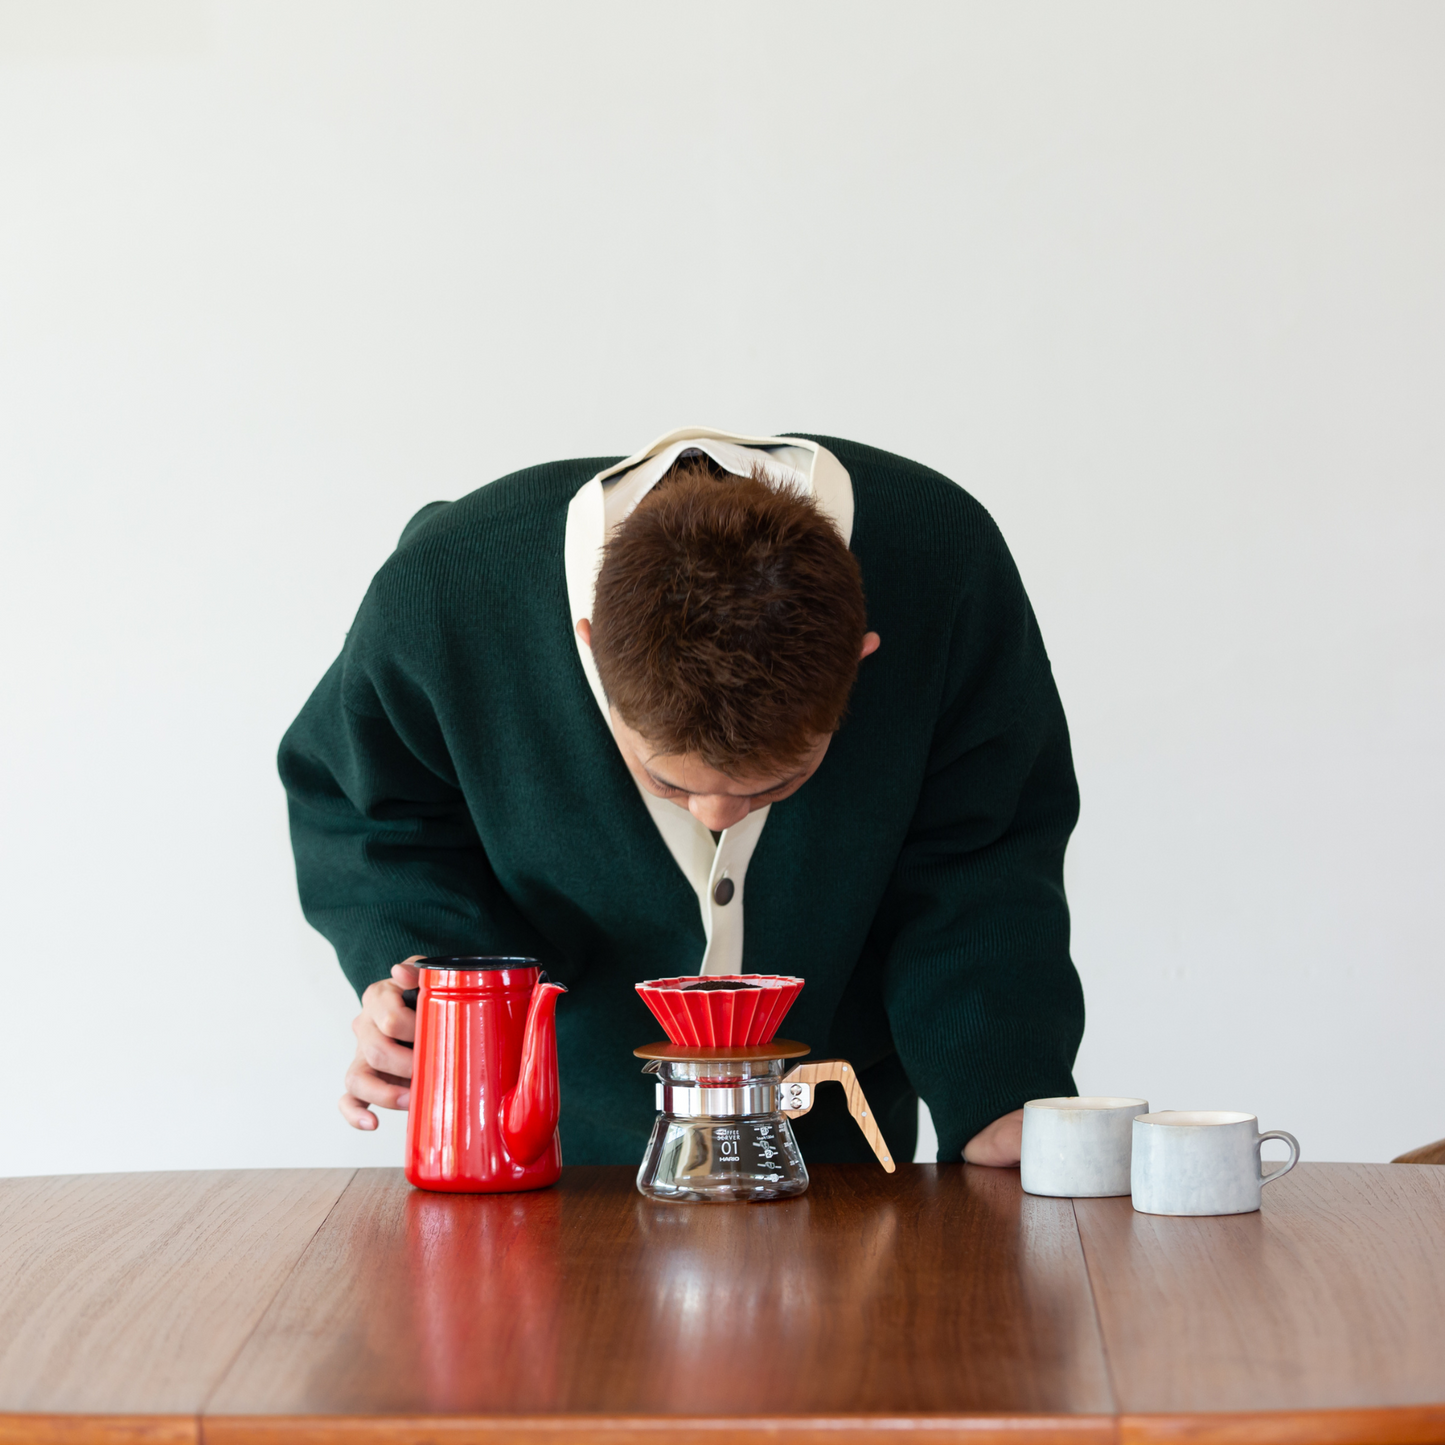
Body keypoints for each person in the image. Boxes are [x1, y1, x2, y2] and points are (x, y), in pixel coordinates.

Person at [278, 427, 1084, 1167]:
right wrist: (442, 996)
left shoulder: (947, 567)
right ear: (589, 649)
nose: (717, 815)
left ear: (862, 659)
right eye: (670, 783)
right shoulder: (444, 592)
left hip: (847, 1142)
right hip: (561, 1138)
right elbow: (366, 811)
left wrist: (999, 1089)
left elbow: (981, 854)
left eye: (775, 785)